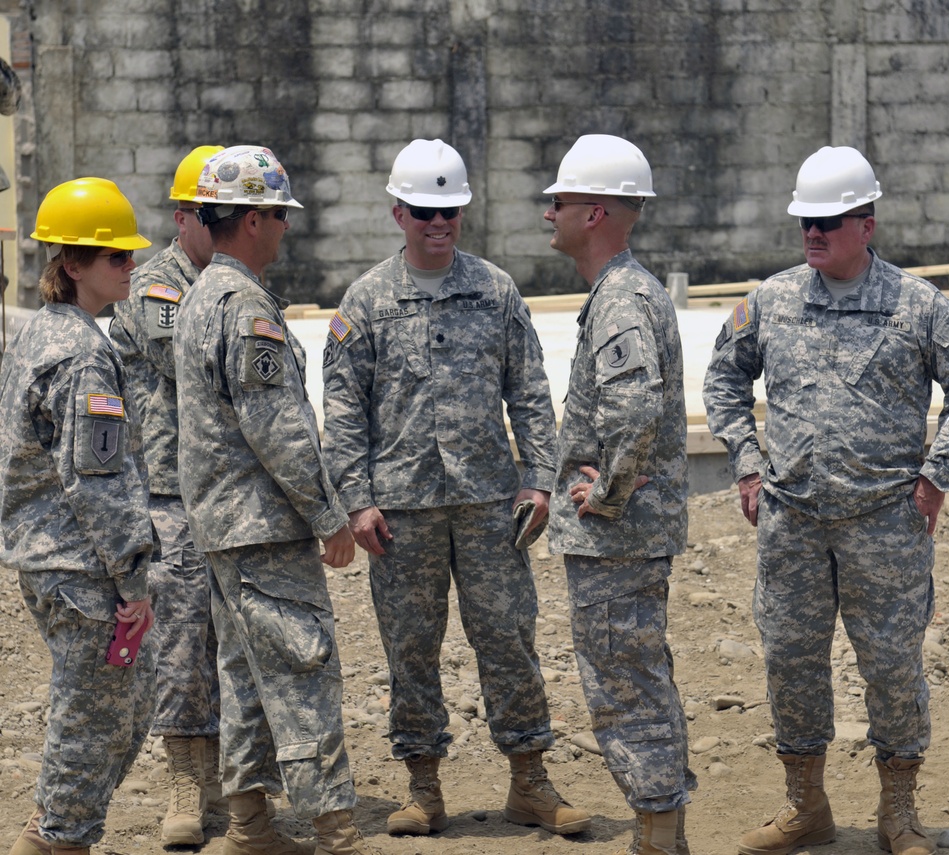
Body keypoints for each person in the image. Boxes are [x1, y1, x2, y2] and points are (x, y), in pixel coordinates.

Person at [702, 145, 949, 855]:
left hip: (885, 525)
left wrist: (936, 477)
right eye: (805, 220)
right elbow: (722, 381)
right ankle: (806, 807)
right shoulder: (770, 302)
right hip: (793, 525)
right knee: (791, 662)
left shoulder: (918, 305)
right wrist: (747, 464)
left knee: (892, 667)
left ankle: (899, 814)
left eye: (829, 221)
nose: (813, 232)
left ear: (867, 224)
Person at [322, 138, 590, 839]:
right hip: (400, 510)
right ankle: (423, 785)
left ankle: (529, 780)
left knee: (507, 636)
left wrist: (538, 480)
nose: (437, 223)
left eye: (449, 211)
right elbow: (344, 409)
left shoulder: (496, 290)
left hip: (487, 503)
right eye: (422, 211)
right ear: (397, 213)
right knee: (411, 645)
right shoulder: (366, 302)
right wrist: (356, 499)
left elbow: (530, 393)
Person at [173, 144, 377, 855]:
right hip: (260, 526)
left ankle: (250, 824)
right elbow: (278, 427)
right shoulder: (244, 306)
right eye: (279, 216)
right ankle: (335, 829)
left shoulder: (202, 296)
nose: (286, 229)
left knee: (247, 674)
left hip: (224, 528)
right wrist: (329, 516)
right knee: (303, 664)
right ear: (254, 218)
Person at [542, 134, 696, 855]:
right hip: (626, 535)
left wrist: (604, 494)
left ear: (596, 211)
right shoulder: (623, 291)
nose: (551, 213)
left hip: (619, 537)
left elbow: (634, 410)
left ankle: (659, 835)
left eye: (561, 201)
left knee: (626, 684)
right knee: (634, 672)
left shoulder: (623, 300)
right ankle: (659, 829)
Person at [1, 177, 156, 854]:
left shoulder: (39, 334)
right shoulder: (83, 352)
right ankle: (60, 838)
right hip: (79, 560)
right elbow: (98, 481)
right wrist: (132, 578)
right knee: (91, 715)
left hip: (47, 551)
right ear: (72, 264)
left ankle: (55, 826)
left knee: (119, 701)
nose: (130, 265)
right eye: (115, 257)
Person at [108, 145, 226, 845]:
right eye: (216, 216)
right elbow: (196, 357)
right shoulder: (154, 286)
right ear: (184, 218)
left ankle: (232, 784)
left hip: (231, 493)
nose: (230, 226)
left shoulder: (238, 284)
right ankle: (186, 783)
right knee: (182, 647)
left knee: (234, 644)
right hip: (171, 495)